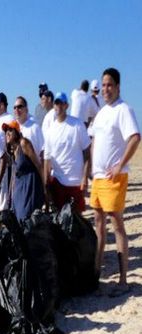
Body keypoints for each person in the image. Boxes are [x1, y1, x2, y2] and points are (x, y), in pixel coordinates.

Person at [89, 67, 140, 290]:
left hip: (114, 178)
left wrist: (119, 165)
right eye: (104, 85)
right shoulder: (101, 113)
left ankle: (122, 280)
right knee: (98, 224)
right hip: (98, 178)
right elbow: (94, 142)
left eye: (110, 85)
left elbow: (135, 138)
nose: (106, 89)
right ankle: (96, 275)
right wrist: (90, 171)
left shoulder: (123, 110)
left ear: (118, 87)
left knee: (116, 223)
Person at [43, 92, 91, 213]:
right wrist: (46, 183)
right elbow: (47, 159)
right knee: (60, 219)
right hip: (58, 181)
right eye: (56, 103)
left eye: (60, 103)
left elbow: (87, 152)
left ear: (66, 106)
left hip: (76, 182)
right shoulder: (50, 130)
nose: (58, 106)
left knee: (77, 219)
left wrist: (85, 177)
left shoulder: (77, 124)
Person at [4, 121, 44, 221]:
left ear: (17, 132)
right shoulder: (13, 150)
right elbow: (14, 174)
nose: (7, 133)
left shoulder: (24, 143)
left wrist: (45, 188)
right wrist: (10, 195)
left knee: (26, 220)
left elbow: (38, 165)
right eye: (6, 131)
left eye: (10, 130)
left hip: (29, 190)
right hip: (18, 192)